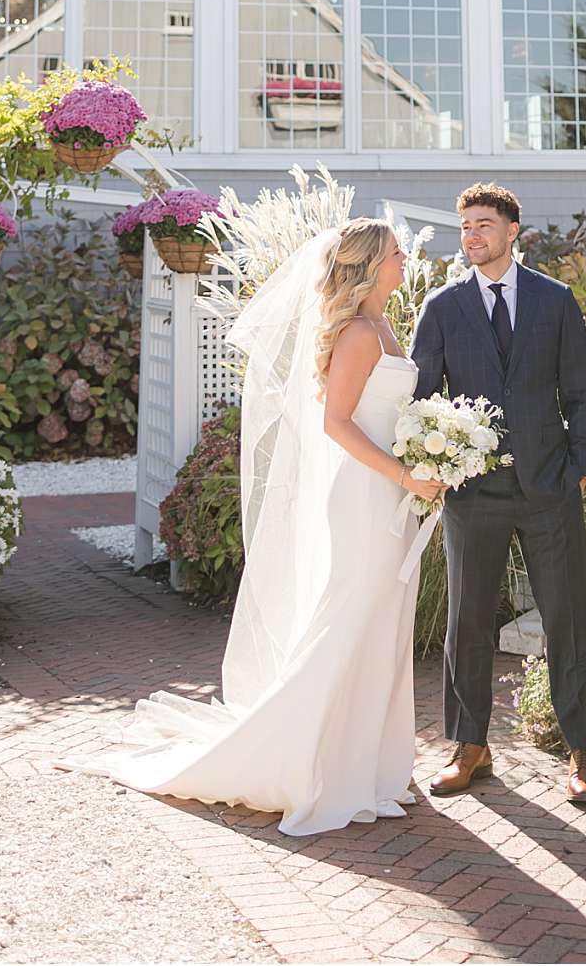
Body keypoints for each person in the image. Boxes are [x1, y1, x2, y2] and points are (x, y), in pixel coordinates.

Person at [65, 218, 442, 835]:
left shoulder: (383, 325)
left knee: (384, 622)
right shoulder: (356, 333)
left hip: (393, 491)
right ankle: (312, 765)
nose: (405, 260)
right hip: (365, 496)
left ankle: (370, 764)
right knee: (349, 618)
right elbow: (337, 424)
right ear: (370, 265)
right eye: (397, 253)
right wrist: (403, 474)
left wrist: (428, 456)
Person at [411, 182, 586, 806]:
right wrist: (436, 464)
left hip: (549, 485)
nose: (472, 235)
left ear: (512, 230)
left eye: (484, 224)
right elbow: (422, 400)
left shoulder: (555, 300)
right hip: (473, 492)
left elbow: (581, 390)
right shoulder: (442, 307)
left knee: (567, 618)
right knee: (468, 620)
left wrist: (580, 466)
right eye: (465, 225)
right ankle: (469, 746)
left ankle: (583, 751)